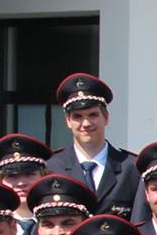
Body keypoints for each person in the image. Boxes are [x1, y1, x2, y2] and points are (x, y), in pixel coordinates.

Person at [45, 72, 139, 216]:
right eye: (78, 117)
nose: (86, 123)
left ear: (106, 118)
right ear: (68, 121)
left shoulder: (131, 167)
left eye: (93, 115)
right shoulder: (52, 167)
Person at [0, 134, 52, 235]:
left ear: (42, 177)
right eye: (12, 176)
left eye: (29, 174)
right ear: (1, 181)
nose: (21, 183)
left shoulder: (58, 224)